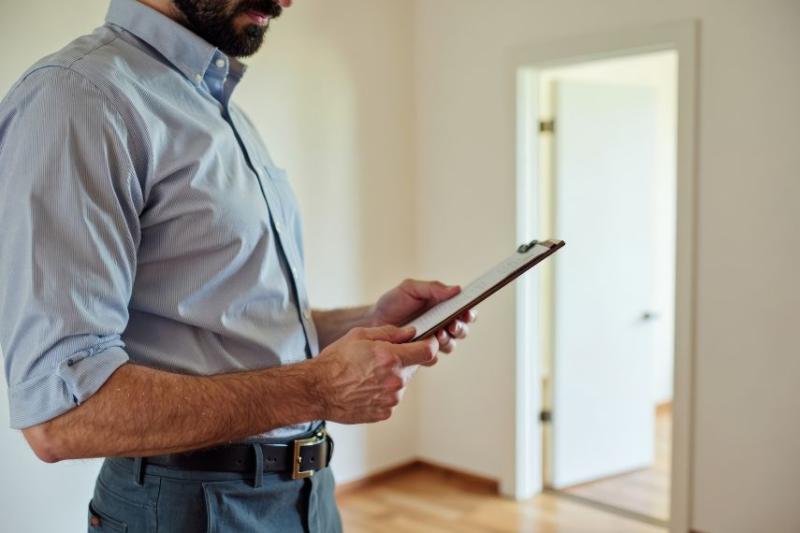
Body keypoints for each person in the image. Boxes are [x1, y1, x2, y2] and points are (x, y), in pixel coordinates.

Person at [0, 0, 475, 531]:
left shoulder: (218, 106)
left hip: (308, 495)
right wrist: (318, 388)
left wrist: (368, 322)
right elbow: (63, 417)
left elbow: (234, 325)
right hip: (190, 508)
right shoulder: (78, 97)